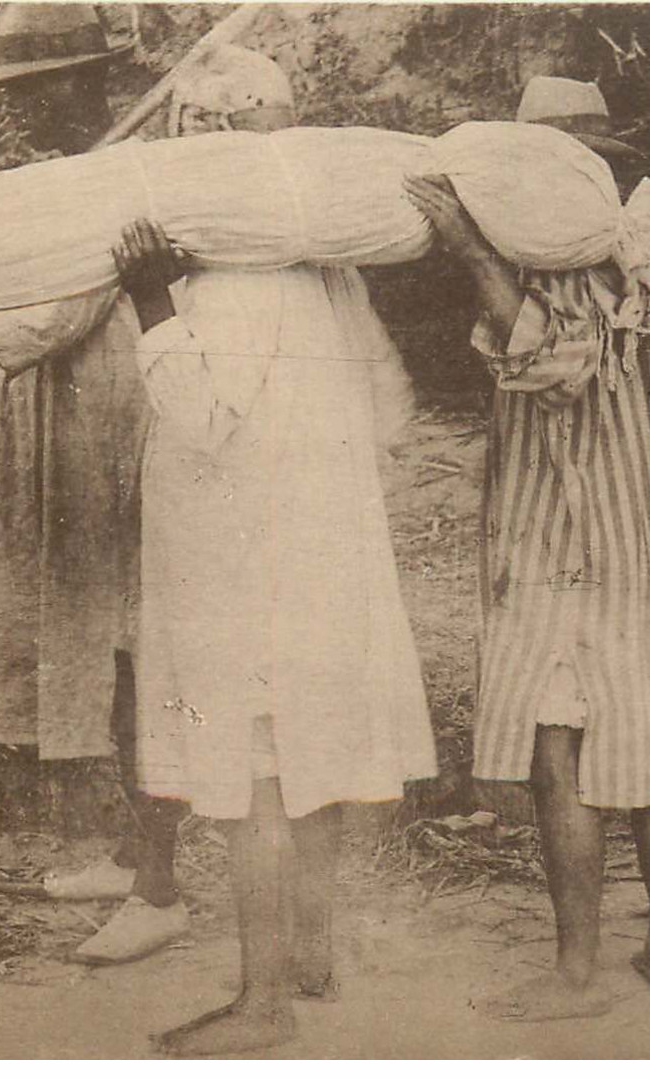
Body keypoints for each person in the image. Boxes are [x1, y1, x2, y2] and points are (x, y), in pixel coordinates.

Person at [111, 45, 436, 1056]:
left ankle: (260, 1001)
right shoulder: (330, 269)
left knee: (252, 770)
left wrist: (154, 307)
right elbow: (389, 409)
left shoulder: (229, 280)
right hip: (328, 547)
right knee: (313, 754)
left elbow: (202, 414)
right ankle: (310, 951)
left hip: (241, 557)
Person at [404, 76, 650, 1021]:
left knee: (561, 745)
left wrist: (470, 248)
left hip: (570, 526)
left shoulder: (561, 246)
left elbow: (552, 366)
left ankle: (575, 972)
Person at [0, 2, 187, 964]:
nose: (25, 111)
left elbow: (26, 325)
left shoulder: (137, 179)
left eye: (41, 89)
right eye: (15, 93)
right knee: (95, 640)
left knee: (141, 646)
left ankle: (161, 885)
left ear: (89, 80)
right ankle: (129, 848)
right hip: (57, 422)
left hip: (123, 416)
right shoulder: (62, 178)